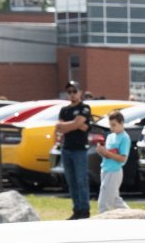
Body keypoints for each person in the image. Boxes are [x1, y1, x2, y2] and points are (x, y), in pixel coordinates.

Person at [54, 81, 95, 219]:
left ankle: (84, 210)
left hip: (79, 149)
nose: (72, 94)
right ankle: (76, 209)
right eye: (69, 92)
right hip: (66, 148)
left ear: (80, 92)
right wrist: (75, 125)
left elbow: (78, 123)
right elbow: (59, 127)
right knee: (71, 181)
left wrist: (72, 125)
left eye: (74, 91)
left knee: (81, 180)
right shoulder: (64, 110)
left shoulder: (85, 108)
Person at [95, 111, 130, 213]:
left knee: (104, 201)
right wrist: (101, 151)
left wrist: (106, 152)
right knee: (115, 200)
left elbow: (123, 158)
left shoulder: (124, 138)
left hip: (114, 171)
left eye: (114, 125)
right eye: (110, 125)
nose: (112, 128)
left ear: (121, 123)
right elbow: (107, 155)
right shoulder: (110, 137)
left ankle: (102, 218)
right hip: (105, 169)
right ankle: (132, 216)